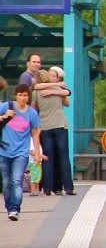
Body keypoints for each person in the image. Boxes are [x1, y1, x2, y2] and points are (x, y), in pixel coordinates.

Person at [0, 84, 43, 220]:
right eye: (20, 95)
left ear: (28, 97)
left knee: (16, 180)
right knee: (6, 183)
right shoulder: (7, 106)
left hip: (21, 152)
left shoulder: (31, 113)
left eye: (25, 95)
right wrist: (4, 116)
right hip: (4, 151)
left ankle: (15, 209)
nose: (22, 98)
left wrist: (37, 153)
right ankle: (9, 206)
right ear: (15, 95)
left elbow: (35, 133)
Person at [32, 67, 75, 196]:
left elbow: (34, 110)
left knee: (48, 157)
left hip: (45, 126)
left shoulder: (36, 93)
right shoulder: (59, 89)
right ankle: (68, 187)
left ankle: (47, 188)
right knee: (63, 157)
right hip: (60, 125)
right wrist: (57, 92)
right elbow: (67, 103)